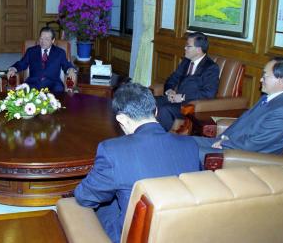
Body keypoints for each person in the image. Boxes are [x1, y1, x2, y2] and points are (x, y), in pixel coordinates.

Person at [74, 82, 200, 243]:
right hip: (180, 232)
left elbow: (85, 197)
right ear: (155, 111)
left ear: (121, 119)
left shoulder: (112, 150)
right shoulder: (190, 145)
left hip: (135, 236)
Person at [193, 57, 283, 162]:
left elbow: (254, 144)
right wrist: (223, 138)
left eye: (265, 76)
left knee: (186, 152)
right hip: (232, 145)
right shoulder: (269, 98)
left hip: (243, 157)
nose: (261, 79)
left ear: (280, 79)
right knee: (183, 142)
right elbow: (244, 121)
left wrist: (224, 143)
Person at [155, 32, 219, 131]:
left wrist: (182, 97)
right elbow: (172, 78)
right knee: (150, 101)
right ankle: (144, 136)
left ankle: (160, 141)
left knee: (164, 110)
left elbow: (209, 93)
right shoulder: (186, 61)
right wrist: (169, 91)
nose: (185, 48)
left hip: (189, 106)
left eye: (188, 46)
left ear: (198, 50)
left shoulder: (211, 68)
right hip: (174, 99)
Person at [7, 27, 77, 92]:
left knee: (59, 89)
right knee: (23, 91)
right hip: (33, 83)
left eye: (46, 39)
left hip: (53, 84)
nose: (43, 41)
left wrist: (70, 70)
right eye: (41, 38)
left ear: (53, 40)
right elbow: (22, 63)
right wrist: (13, 68)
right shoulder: (31, 51)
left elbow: (66, 65)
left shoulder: (60, 52)